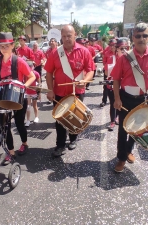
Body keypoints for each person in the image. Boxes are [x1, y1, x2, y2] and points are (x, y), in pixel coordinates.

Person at [111, 22, 148, 172]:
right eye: (138, 36)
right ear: (133, 38)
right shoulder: (124, 58)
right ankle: (121, 158)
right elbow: (116, 80)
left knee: (138, 129)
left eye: (145, 35)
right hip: (126, 98)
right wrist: (117, 99)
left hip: (143, 99)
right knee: (123, 130)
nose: (141, 38)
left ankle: (128, 150)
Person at [44, 25, 94, 157]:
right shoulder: (56, 53)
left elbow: (90, 70)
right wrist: (50, 90)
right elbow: (48, 72)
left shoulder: (84, 51)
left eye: (69, 36)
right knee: (60, 121)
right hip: (59, 92)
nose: (66, 39)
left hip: (77, 92)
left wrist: (85, 81)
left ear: (75, 35)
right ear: (61, 37)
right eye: (64, 36)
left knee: (75, 117)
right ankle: (60, 145)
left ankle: (73, 139)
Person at [0, 32, 36, 164]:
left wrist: (24, 86)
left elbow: (32, 76)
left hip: (18, 96)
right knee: (5, 126)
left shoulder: (19, 61)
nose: (3, 48)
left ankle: (25, 143)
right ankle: (11, 152)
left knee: (19, 124)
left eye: (6, 46)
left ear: (12, 46)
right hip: (3, 96)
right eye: (1, 46)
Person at [106, 39, 129, 131]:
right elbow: (107, 72)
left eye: (126, 48)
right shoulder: (112, 58)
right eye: (121, 48)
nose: (124, 50)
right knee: (113, 104)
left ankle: (119, 118)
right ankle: (112, 121)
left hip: (124, 87)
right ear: (117, 49)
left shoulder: (129, 59)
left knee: (123, 104)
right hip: (113, 85)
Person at [100, 39, 117, 108]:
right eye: (110, 45)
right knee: (106, 87)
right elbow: (104, 62)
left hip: (116, 74)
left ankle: (115, 100)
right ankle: (104, 101)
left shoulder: (118, 53)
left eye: (113, 45)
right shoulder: (107, 53)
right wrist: (106, 69)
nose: (112, 47)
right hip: (107, 73)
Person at [25, 61, 41, 127]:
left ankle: (36, 117)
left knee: (35, 105)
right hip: (27, 92)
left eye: (30, 67)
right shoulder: (25, 74)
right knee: (28, 107)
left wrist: (39, 93)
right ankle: (28, 120)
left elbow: (39, 84)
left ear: (33, 67)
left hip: (34, 92)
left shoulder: (36, 74)